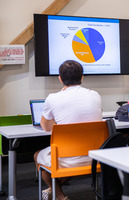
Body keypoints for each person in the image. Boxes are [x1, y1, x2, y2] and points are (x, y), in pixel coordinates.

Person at [34, 60, 102, 200]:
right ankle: (55, 189)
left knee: (37, 156)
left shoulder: (53, 98)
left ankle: (60, 196)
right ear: (82, 77)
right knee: (70, 153)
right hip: (95, 156)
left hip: (68, 158)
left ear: (60, 78)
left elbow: (46, 127)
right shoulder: (95, 95)